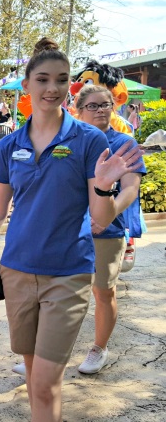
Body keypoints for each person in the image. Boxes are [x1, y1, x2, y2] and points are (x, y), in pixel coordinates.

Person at [0, 38, 143, 422]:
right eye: (42, 79)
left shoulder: (89, 140)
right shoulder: (8, 146)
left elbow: (101, 219)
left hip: (67, 273)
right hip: (17, 269)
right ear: (27, 86)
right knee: (34, 374)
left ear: (69, 86)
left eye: (61, 80)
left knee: (44, 382)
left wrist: (105, 186)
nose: (52, 88)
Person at [74, 85, 146, 374]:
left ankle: (98, 348)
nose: (101, 109)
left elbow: (130, 190)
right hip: (70, 231)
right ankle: (44, 353)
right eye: (92, 105)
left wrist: (107, 215)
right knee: (61, 293)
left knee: (103, 291)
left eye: (105, 104)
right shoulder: (69, 141)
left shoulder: (124, 144)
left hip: (108, 231)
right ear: (78, 110)